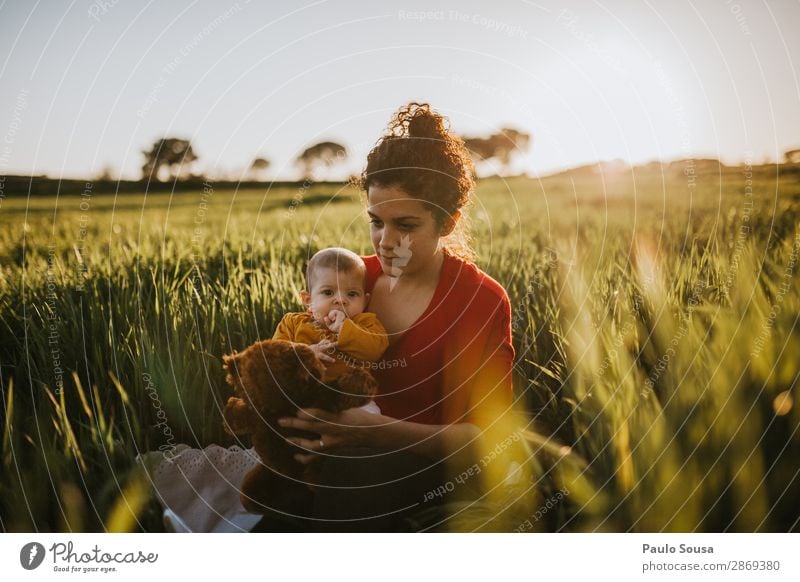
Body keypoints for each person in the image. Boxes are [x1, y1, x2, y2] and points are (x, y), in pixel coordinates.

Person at [267, 102, 522, 532]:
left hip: (431, 473)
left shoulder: (481, 300)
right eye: (375, 222)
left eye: (405, 225)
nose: (386, 242)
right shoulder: (351, 281)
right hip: (335, 453)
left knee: (351, 489)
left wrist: (371, 433)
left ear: (448, 221)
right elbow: (293, 356)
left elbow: (487, 442)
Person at [273, 246, 388, 391]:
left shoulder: (365, 323)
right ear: (308, 300)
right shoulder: (292, 323)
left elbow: (374, 351)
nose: (340, 300)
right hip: (303, 394)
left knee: (369, 410)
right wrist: (306, 354)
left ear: (364, 301)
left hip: (351, 399)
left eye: (352, 294)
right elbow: (274, 356)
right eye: (328, 292)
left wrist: (344, 329)